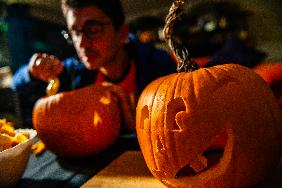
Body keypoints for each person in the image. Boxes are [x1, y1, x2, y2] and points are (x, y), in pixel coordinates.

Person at [11, 0, 176, 129]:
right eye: (75, 32)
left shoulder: (158, 66)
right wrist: (33, 71)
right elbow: (17, 84)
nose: (82, 43)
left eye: (93, 30)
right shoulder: (75, 71)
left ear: (122, 33)